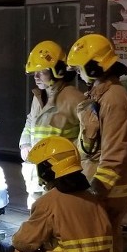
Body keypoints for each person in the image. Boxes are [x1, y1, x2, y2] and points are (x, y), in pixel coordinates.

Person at [66, 33, 127, 252]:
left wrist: (98, 188)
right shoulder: (100, 94)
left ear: (95, 66)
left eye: (80, 67)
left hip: (110, 188)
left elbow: (115, 151)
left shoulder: (114, 98)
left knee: (104, 242)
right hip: (99, 182)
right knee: (102, 241)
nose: (78, 73)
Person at [19, 40, 85, 209]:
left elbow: (88, 136)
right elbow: (30, 121)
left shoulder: (74, 99)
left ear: (58, 70)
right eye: (35, 72)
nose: (36, 76)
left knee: (57, 214)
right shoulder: (39, 96)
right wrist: (25, 143)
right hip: (36, 172)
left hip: (59, 174)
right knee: (36, 213)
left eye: (42, 71)